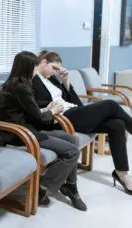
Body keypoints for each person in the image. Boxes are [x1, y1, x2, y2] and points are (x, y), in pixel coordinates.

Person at [33, 51, 132, 195]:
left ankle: (122, 173)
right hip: (61, 118)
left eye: (57, 69)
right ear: (43, 63)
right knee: (111, 105)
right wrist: (51, 109)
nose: (55, 72)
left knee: (118, 125)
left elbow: (76, 103)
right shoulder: (33, 80)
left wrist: (66, 82)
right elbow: (35, 107)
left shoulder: (53, 79)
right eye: (54, 68)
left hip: (74, 113)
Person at [0, 51, 87, 211]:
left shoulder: (18, 84)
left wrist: (48, 109)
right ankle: (42, 188)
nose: (36, 70)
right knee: (72, 152)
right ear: (27, 67)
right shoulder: (20, 88)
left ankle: (70, 186)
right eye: (34, 66)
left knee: (73, 140)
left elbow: (31, 109)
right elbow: (39, 118)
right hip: (21, 134)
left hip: (29, 129)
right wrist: (51, 112)